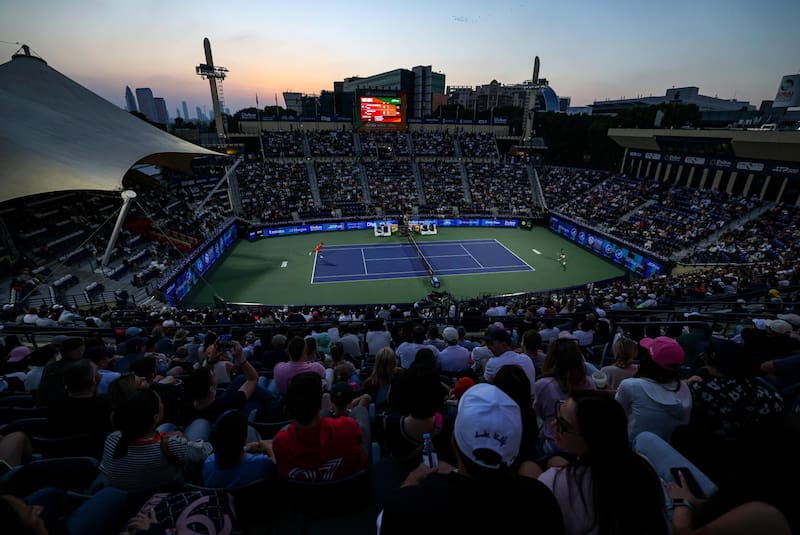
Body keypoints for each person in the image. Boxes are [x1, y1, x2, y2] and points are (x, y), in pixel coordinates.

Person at [377, 383, 565, 534]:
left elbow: (385, 521)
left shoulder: (408, 507)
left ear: (453, 441)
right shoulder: (542, 502)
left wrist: (412, 480)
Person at [532, 390, 670, 535]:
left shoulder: (554, 482)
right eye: (557, 413)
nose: (553, 424)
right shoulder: (643, 467)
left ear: (590, 439)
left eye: (563, 425)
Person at [272, 372, 366, 481]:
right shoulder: (348, 427)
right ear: (320, 403)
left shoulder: (280, 442)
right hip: (348, 488)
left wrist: (269, 449)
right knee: (360, 410)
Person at [615, 336, 692, 443]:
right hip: (669, 449)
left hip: (633, 447)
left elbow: (616, 417)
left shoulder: (630, 385)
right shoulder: (685, 388)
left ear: (648, 360)